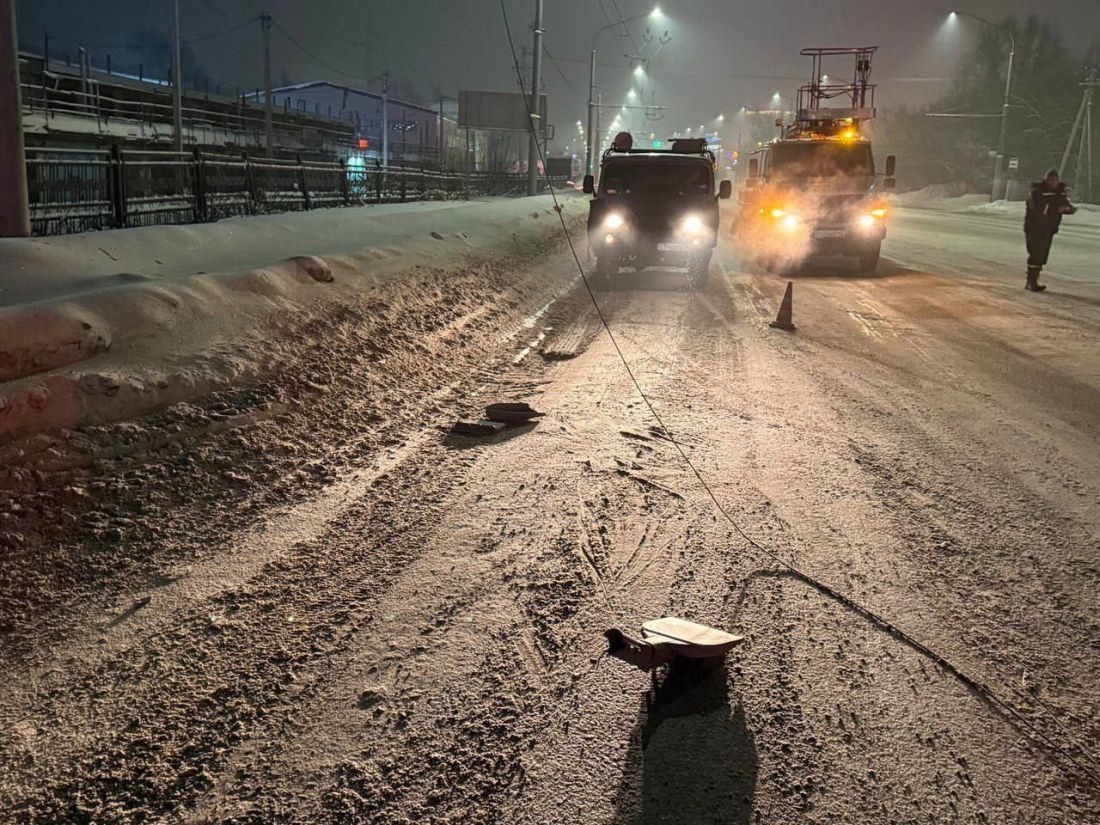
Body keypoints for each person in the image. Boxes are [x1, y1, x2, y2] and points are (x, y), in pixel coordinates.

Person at [1024, 169, 1076, 292]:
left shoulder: (1060, 193)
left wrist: (1066, 209)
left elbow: (1069, 207)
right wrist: (1055, 208)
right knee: (1036, 254)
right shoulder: (1037, 192)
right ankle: (1031, 281)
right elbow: (1037, 208)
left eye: (1055, 180)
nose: (1053, 183)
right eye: (1051, 180)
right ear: (1046, 180)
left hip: (1049, 228)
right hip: (1034, 227)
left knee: (1042, 255)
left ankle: (1034, 280)